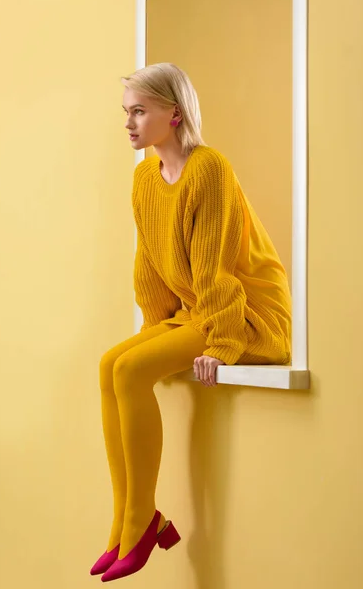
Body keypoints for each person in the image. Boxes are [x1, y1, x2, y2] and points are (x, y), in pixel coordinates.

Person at [90, 63, 292, 582]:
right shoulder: (143, 178)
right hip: (195, 308)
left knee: (132, 373)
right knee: (112, 363)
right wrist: (156, 329)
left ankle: (141, 519)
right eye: (126, 113)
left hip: (243, 309)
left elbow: (216, 266)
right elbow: (151, 266)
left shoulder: (209, 168)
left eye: (139, 111)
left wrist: (223, 343)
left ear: (173, 114)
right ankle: (125, 519)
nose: (129, 123)